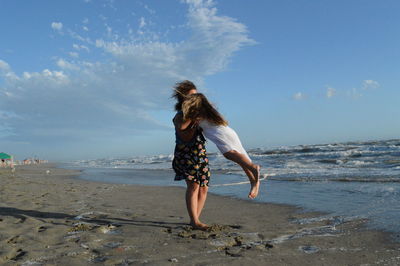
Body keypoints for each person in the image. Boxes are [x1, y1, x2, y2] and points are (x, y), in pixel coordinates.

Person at [182, 93, 261, 199]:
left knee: (230, 154)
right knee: (241, 160)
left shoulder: (198, 114)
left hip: (221, 134)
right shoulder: (208, 111)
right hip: (226, 133)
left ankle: (253, 167)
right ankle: (254, 183)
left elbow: (185, 125)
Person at [171, 81, 210, 230]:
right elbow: (183, 131)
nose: (196, 98)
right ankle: (195, 221)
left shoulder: (198, 113)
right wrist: (195, 120)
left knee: (204, 187)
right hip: (186, 153)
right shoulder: (180, 115)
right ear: (184, 98)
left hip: (200, 152)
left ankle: (195, 219)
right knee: (193, 185)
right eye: (192, 96)